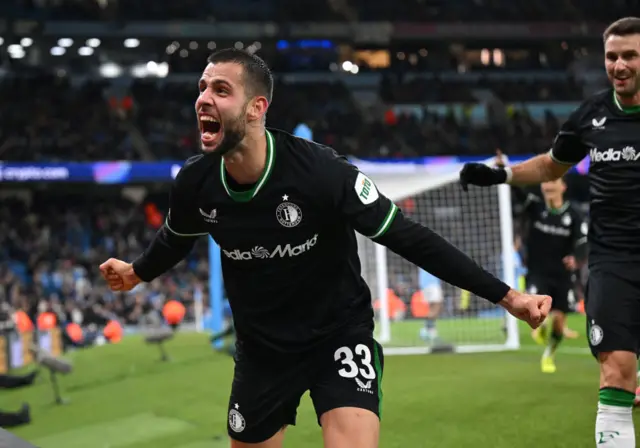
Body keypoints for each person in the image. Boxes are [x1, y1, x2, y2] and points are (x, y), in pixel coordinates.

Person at [100, 48, 551, 448]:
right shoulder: (196, 183)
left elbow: (409, 237)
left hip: (338, 335)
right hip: (263, 351)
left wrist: (508, 296)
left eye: (221, 89)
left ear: (257, 108)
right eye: (201, 88)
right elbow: (176, 238)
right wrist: (138, 272)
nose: (203, 98)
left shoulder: (321, 173)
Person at [459, 16, 640, 448]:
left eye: (630, 55)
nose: (619, 65)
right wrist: (500, 175)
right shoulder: (592, 115)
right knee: (615, 371)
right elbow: (550, 164)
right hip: (612, 261)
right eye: (612, 56)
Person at [516, 177, 587, 373]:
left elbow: (583, 241)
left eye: (552, 181)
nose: (547, 185)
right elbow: (518, 191)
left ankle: (549, 353)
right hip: (537, 272)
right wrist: (502, 169)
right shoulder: (536, 207)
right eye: (545, 182)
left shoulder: (573, 214)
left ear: (562, 186)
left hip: (562, 275)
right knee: (539, 310)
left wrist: (576, 258)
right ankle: (540, 326)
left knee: (558, 322)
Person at [417, 270, 444, 344]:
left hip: (424, 284)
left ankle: (427, 331)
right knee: (436, 307)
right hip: (432, 283)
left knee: (432, 308)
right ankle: (428, 331)